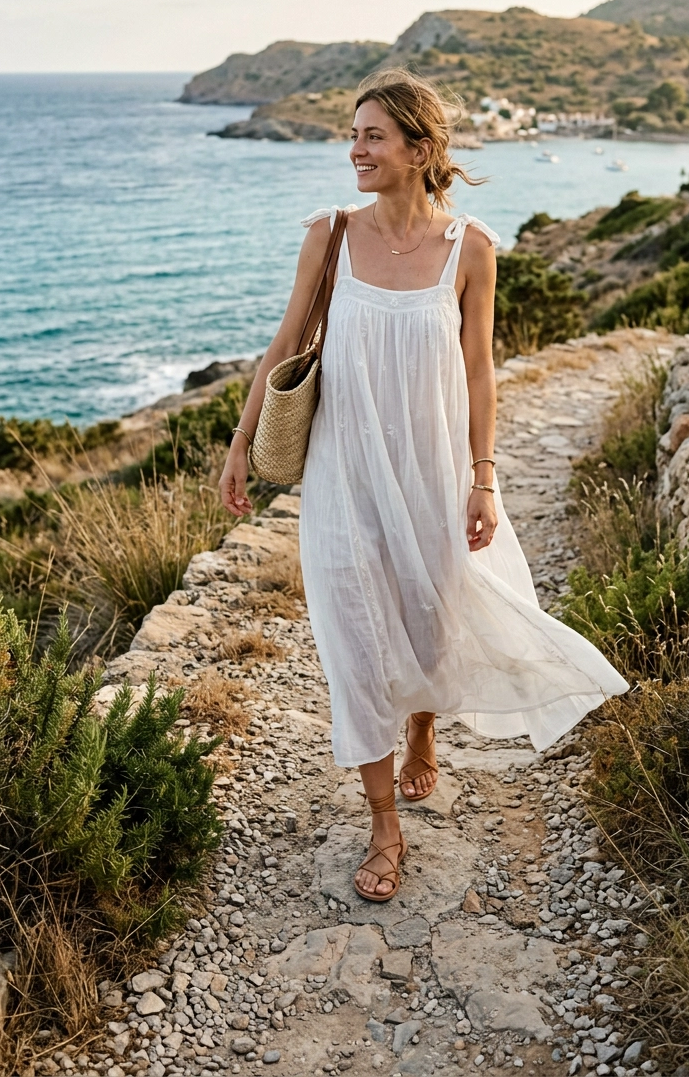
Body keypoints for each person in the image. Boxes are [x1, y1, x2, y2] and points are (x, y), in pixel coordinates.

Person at [219, 69, 628, 903]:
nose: (355, 149)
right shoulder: (331, 236)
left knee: (430, 619)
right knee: (356, 641)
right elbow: (284, 343)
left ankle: (424, 734)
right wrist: (239, 444)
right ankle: (383, 828)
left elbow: (481, 372)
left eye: (373, 136)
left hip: (434, 468)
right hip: (344, 471)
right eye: (355, 133)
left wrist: (484, 481)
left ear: (420, 148)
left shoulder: (470, 247)